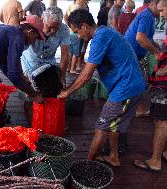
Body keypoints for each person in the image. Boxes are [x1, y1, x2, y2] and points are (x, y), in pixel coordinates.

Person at [58, 9, 145, 167]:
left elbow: (86, 75)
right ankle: (114, 157)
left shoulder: (100, 37)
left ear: (84, 26)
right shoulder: (105, 31)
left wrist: (67, 92)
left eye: (77, 31)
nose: (78, 36)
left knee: (101, 126)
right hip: (133, 84)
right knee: (114, 124)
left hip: (126, 88)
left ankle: (87, 165)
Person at [134, 0, 167, 172]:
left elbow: (140, 37)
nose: (161, 14)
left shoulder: (147, 16)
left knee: (161, 121)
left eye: (163, 10)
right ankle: (165, 152)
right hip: (161, 78)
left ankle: (155, 161)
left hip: (164, 83)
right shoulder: (149, 16)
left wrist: (164, 68)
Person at [21, 7, 70, 87]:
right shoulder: (32, 28)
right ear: (42, 19)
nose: (53, 31)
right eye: (50, 27)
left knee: (52, 87)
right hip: (30, 61)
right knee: (31, 88)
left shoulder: (64, 29)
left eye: (56, 28)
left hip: (49, 62)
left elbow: (65, 55)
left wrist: (63, 76)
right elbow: (18, 51)